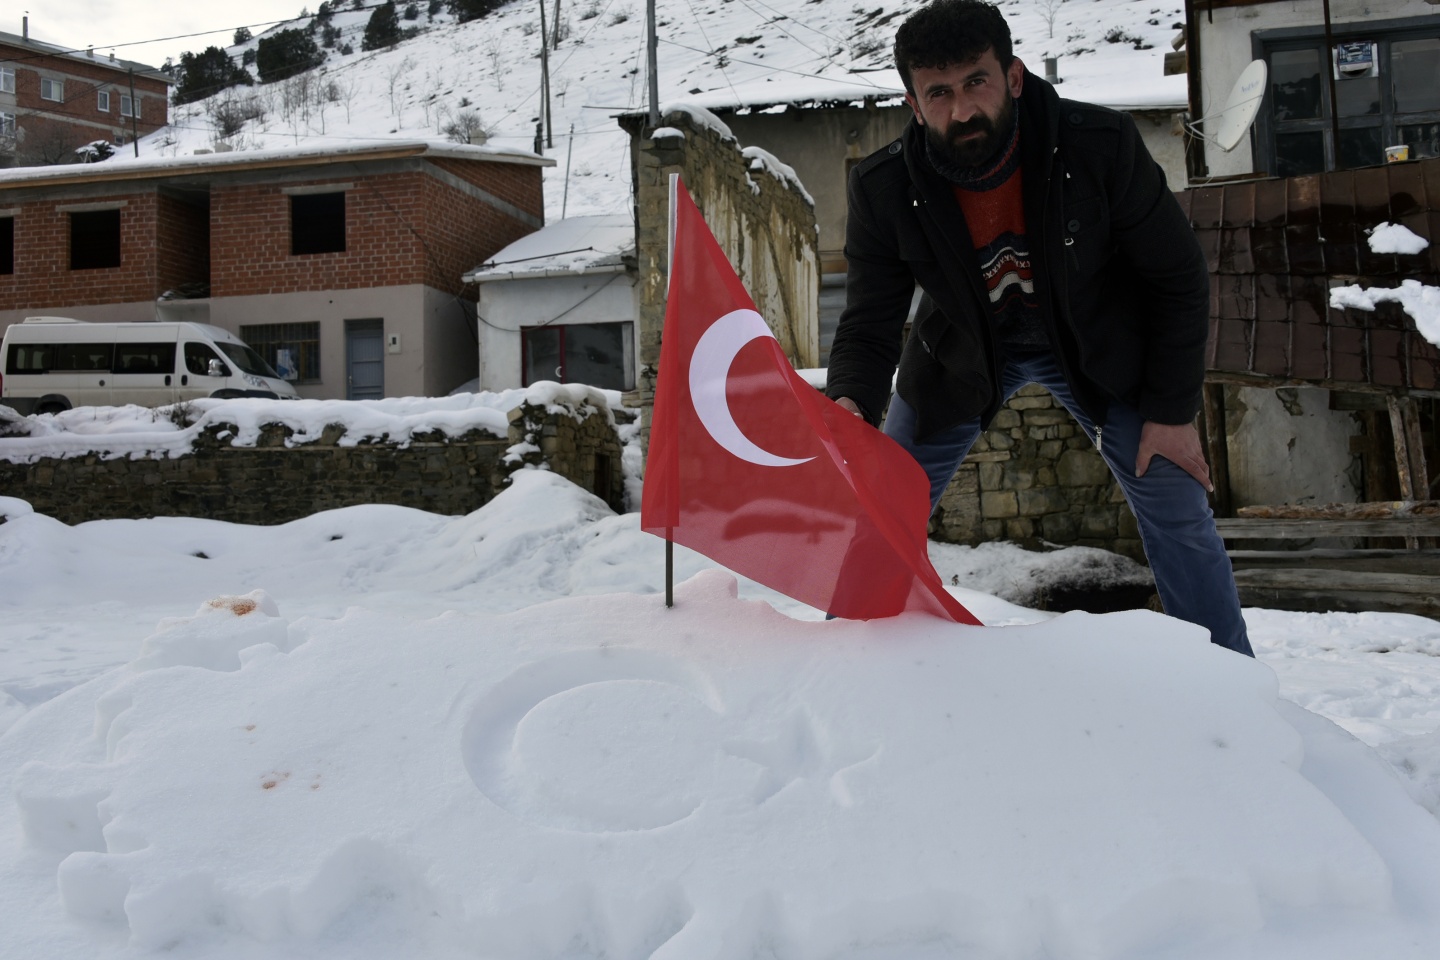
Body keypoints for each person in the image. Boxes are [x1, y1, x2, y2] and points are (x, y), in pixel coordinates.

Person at [825, 0, 1253, 656]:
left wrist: (1171, 411)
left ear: (1013, 77)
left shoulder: (1099, 146)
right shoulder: (883, 188)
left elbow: (1177, 278)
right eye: (939, 93)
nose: (964, 109)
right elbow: (869, 320)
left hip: (1096, 343)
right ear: (914, 104)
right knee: (881, 511)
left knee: (1175, 498)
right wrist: (850, 403)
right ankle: (850, 666)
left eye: (977, 82)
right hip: (962, 352)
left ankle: (1230, 683)